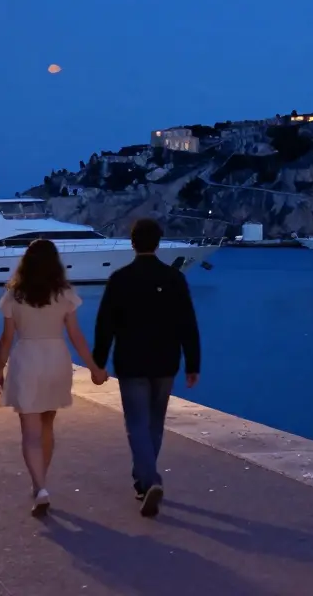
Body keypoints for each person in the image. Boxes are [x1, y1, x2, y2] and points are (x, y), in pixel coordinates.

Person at [94, 218, 201, 518]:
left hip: (131, 362)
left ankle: (148, 479)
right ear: (158, 242)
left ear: (132, 242)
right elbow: (188, 324)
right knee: (154, 423)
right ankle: (144, 481)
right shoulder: (174, 279)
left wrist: (98, 362)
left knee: (136, 424)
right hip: (166, 362)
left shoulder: (119, 279)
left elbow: (105, 325)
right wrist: (193, 363)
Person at [0, 239, 107, 517]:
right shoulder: (64, 293)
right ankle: (41, 482)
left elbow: (7, 338)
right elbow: (76, 336)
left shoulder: (14, 295)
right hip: (56, 359)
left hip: (27, 360)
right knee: (47, 425)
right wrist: (94, 367)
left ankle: (40, 486)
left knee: (29, 432)